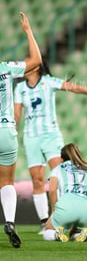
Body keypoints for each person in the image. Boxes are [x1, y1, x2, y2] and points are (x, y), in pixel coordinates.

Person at [14, 60, 87, 233]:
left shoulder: (48, 82)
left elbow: (75, 88)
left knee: (62, 173)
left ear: (37, 67)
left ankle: (65, 216)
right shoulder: (20, 89)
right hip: (31, 138)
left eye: (28, 64)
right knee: (37, 180)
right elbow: (17, 114)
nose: (25, 67)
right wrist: (11, 130)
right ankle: (44, 221)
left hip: (51, 136)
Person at [0, 12, 42, 248]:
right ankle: (9, 221)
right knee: (7, 181)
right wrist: (28, 31)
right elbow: (36, 60)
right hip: (5, 131)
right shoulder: (6, 69)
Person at [42, 143, 87, 242]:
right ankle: (80, 234)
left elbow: (52, 190)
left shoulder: (58, 169)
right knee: (75, 232)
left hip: (67, 208)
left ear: (62, 159)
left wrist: (54, 211)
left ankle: (56, 235)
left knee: (48, 231)